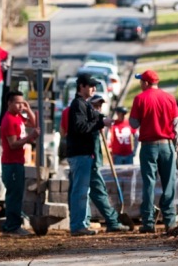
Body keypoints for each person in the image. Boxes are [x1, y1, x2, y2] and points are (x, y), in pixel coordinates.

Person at [129, 70, 178, 234]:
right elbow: (176, 124)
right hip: (166, 145)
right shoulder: (169, 98)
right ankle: (170, 221)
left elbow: (134, 124)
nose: (139, 84)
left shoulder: (140, 98)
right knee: (169, 184)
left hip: (149, 147)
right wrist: (175, 145)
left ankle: (148, 222)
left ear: (145, 83)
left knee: (149, 184)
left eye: (140, 81)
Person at [66, 74, 115, 236]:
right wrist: (101, 123)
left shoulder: (84, 105)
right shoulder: (78, 104)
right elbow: (81, 126)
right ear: (81, 86)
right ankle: (78, 226)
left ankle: (80, 224)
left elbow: (93, 116)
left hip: (84, 154)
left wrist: (101, 118)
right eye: (91, 86)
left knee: (82, 191)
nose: (94, 88)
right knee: (80, 192)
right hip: (80, 154)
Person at [86, 94, 130, 233]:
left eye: (100, 106)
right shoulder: (88, 121)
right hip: (91, 162)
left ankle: (86, 221)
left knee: (90, 192)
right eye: (95, 106)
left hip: (94, 162)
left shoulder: (96, 120)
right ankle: (112, 221)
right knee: (99, 191)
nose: (98, 108)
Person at [0, 91, 40, 236]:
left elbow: (34, 123)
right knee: (14, 196)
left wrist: (28, 109)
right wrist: (30, 137)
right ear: (9, 103)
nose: (20, 106)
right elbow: (13, 144)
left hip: (18, 162)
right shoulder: (9, 120)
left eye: (22, 103)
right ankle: (12, 227)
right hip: (11, 164)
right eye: (17, 103)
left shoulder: (18, 117)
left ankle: (12, 225)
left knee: (16, 195)